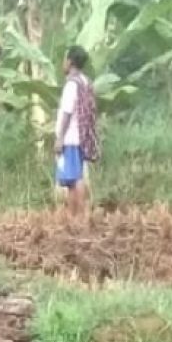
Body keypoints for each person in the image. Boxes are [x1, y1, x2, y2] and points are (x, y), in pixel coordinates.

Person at [54, 45, 99, 219]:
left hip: (71, 137)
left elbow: (66, 113)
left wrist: (60, 138)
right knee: (74, 177)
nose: (63, 63)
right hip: (83, 136)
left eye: (65, 59)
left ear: (70, 62)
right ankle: (74, 215)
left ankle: (79, 215)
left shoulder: (71, 85)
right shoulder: (86, 81)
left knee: (74, 178)